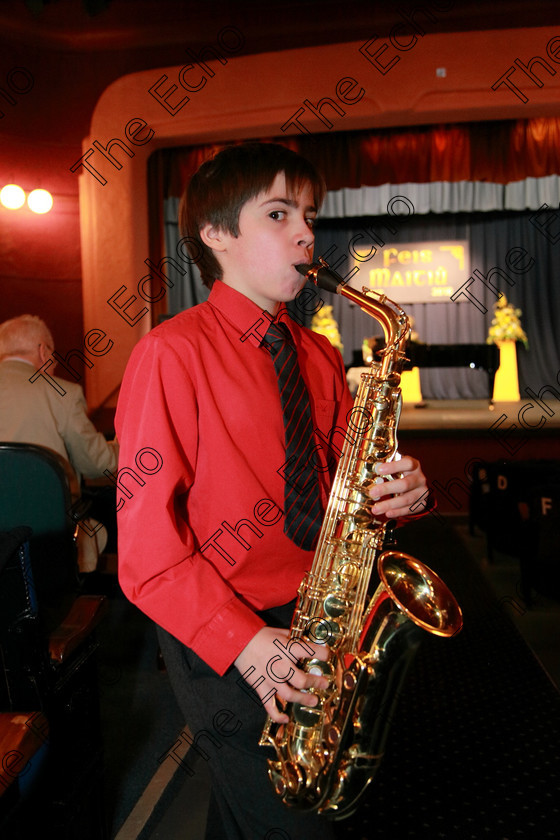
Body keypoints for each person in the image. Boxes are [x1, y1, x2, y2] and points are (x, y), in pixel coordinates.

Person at [115, 142, 429, 839]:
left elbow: (349, 487)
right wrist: (247, 643)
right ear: (217, 234)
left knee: (249, 812)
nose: (307, 234)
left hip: (318, 616)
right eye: (280, 213)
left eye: (310, 215)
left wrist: (400, 490)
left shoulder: (317, 353)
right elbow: (146, 557)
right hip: (223, 632)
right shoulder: (169, 353)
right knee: (296, 823)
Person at [0, 314, 119, 571]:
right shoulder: (62, 394)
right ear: (43, 351)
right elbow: (97, 465)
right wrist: (123, 445)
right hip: (46, 534)